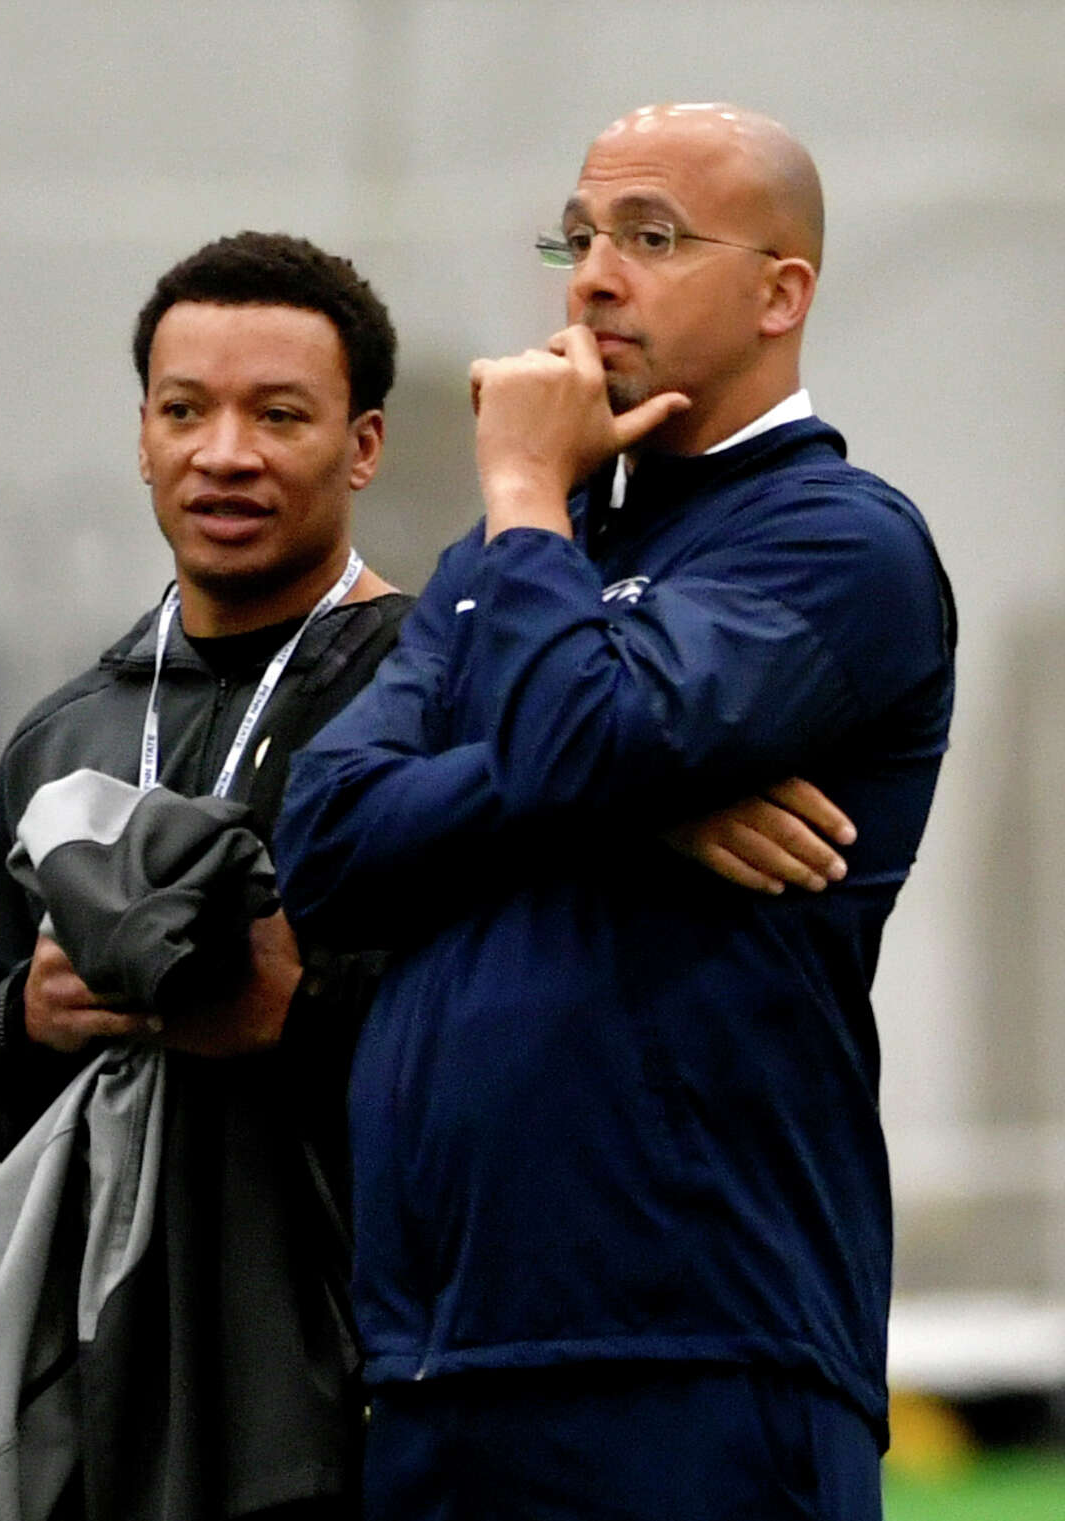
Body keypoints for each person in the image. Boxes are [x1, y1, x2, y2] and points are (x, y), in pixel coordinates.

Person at [0, 226, 847, 1521]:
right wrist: (32, 1017)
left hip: (409, 1383)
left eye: (278, 413)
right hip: (127, 1396)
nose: (224, 451)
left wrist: (639, 801)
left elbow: (545, 1001)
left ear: (361, 447)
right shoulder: (64, 736)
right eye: (185, 410)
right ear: (142, 436)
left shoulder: (449, 683)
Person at [275, 104, 957, 1521]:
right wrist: (629, 801)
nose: (590, 278)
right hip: (440, 1358)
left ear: (783, 293)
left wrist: (525, 491)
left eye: (650, 237)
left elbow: (582, 734)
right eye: (577, 237)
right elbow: (329, 842)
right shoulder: (505, 562)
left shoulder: (840, 541)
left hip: (697, 1357)